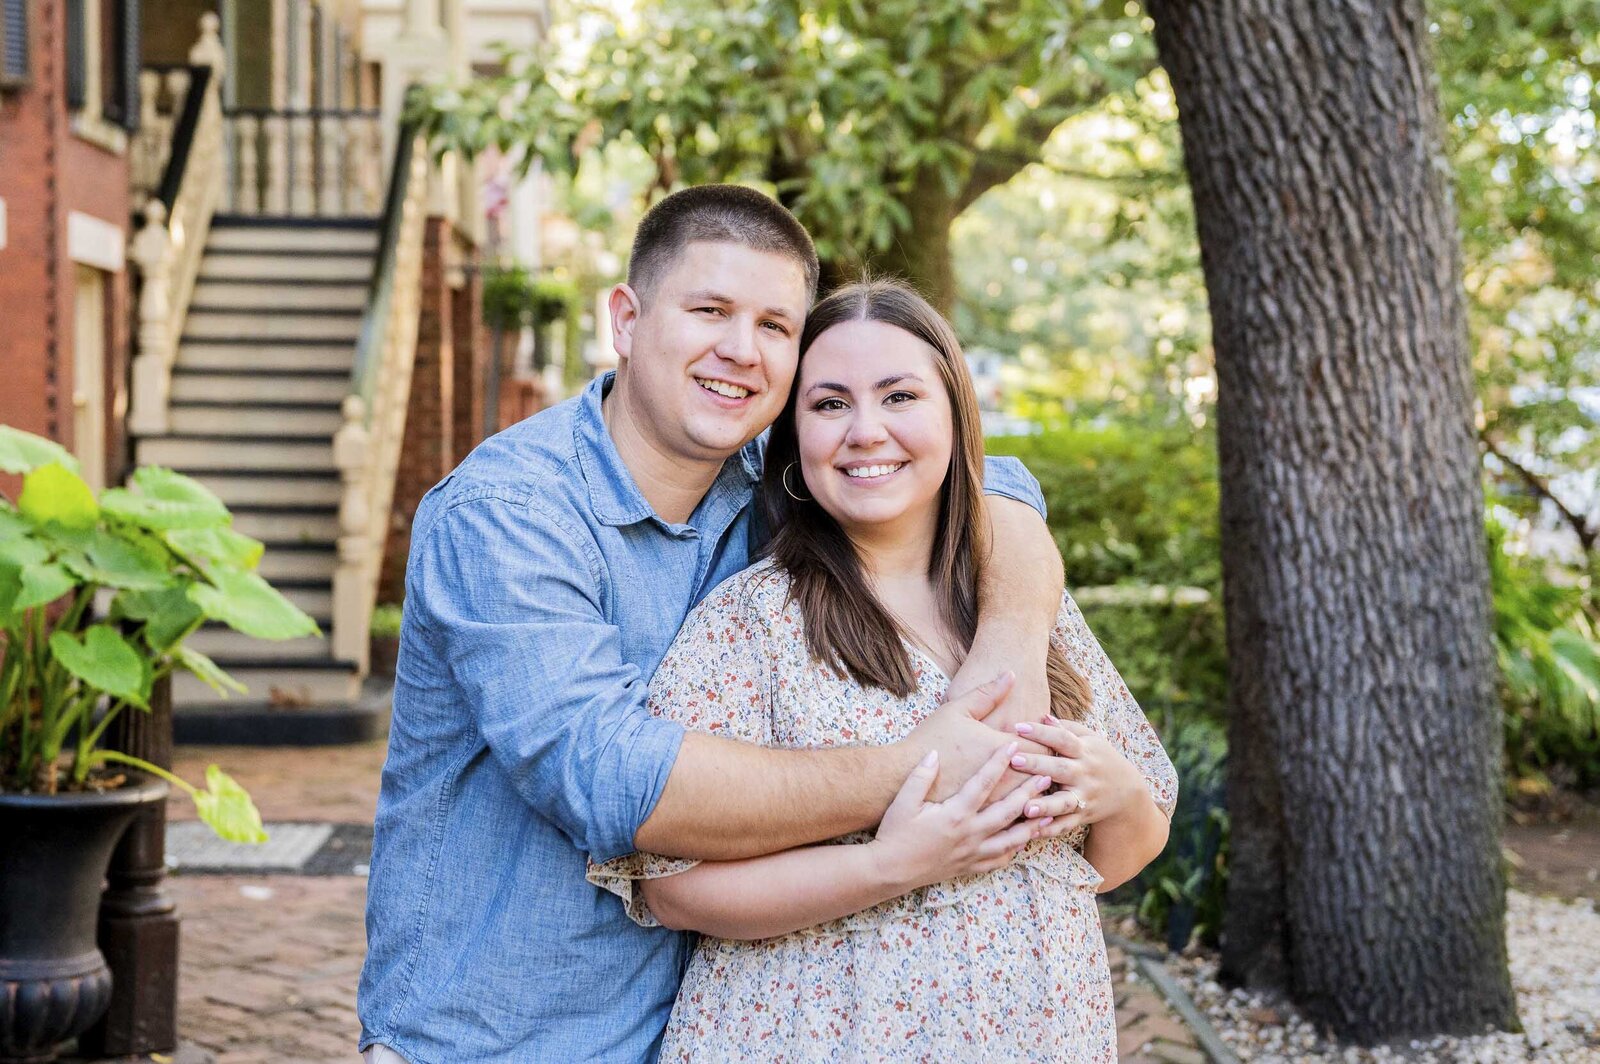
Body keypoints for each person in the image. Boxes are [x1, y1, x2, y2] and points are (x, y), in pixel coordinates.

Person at [357, 186, 1085, 1064]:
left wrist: (1009, 659)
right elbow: (613, 783)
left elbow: (991, 479)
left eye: (776, 326)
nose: (740, 351)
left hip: (698, 1026)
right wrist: (921, 764)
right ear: (625, 319)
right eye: (709, 310)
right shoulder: (510, 514)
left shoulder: (770, 483)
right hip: (496, 1038)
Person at [588, 279, 1178, 1062]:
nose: (866, 431)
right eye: (830, 404)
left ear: (955, 416)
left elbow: (1115, 858)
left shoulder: (1026, 606)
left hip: (1037, 1032)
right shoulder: (749, 623)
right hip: (817, 1034)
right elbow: (670, 890)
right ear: (794, 441)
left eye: (899, 396)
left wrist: (1117, 790)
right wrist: (889, 865)